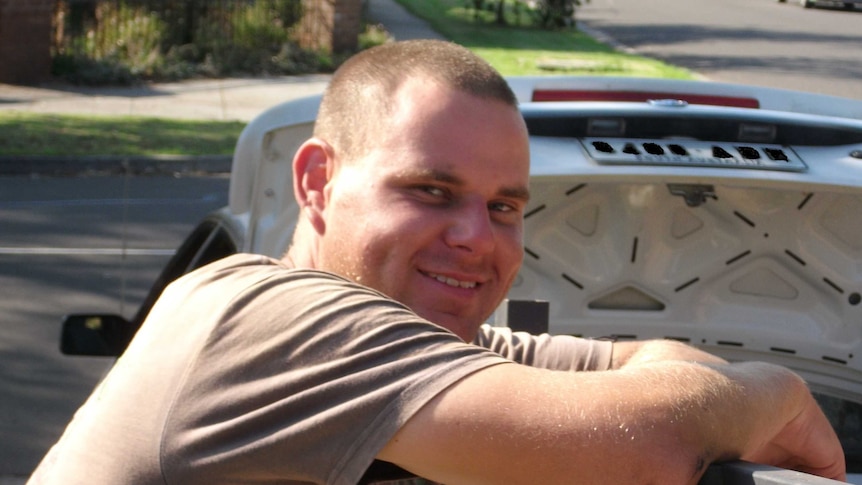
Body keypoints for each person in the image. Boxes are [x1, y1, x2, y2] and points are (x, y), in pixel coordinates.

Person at [30, 40, 844, 485]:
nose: (477, 237)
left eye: (503, 206)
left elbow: (633, 362)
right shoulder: (262, 319)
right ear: (318, 180)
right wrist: (779, 389)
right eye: (430, 189)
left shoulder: (428, 346)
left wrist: (710, 397)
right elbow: (646, 447)